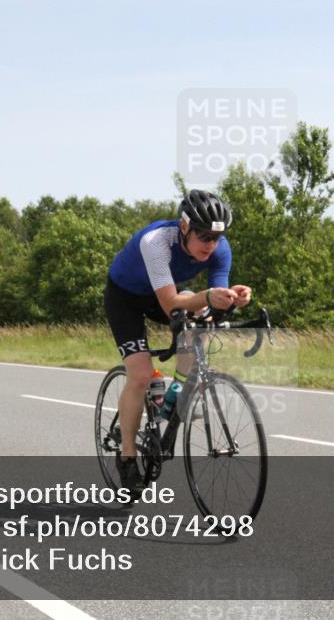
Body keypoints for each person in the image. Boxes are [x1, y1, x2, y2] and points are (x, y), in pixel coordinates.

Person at [104, 190, 252, 493]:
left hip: (163, 294)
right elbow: (171, 303)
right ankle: (127, 456)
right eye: (205, 237)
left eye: (217, 238)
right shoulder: (156, 242)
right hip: (126, 298)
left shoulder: (220, 249)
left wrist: (233, 299)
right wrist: (208, 298)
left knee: (201, 319)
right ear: (184, 227)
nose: (211, 246)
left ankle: (174, 393)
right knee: (141, 375)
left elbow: (213, 305)